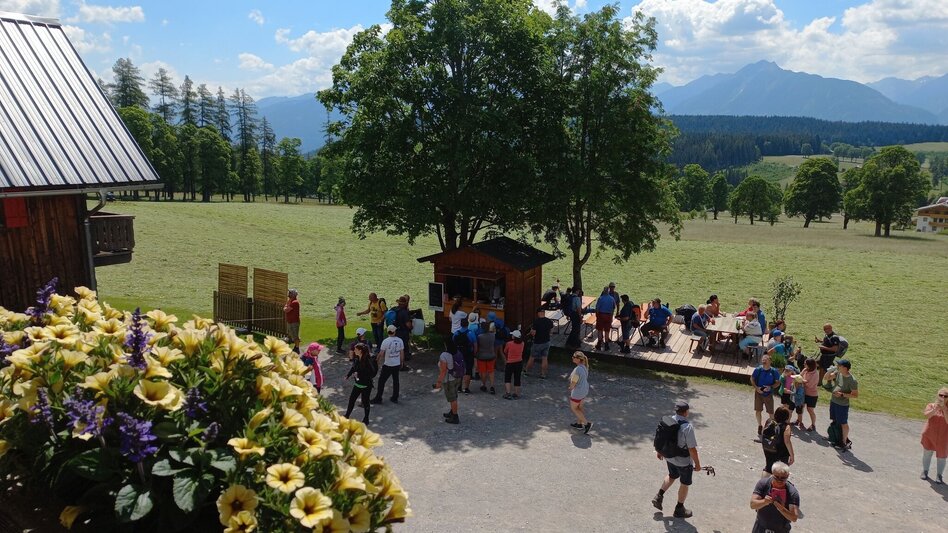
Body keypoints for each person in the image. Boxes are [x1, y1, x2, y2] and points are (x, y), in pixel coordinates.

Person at [652, 400, 701, 519]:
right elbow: (692, 449)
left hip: (670, 457)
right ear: (686, 412)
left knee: (672, 475)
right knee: (684, 483)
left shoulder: (669, 421)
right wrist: (698, 464)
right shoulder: (687, 427)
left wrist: (660, 451)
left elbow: (661, 438)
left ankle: (659, 496)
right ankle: (679, 509)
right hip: (683, 462)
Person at [750, 461, 800, 533]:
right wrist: (764, 501)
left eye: (783, 478)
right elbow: (752, 505)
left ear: (788, 476)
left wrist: (781, 508)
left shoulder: (792, 492)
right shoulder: (763, 484)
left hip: (780, 529)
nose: (779, 481)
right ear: (772, 474)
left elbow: (794, 517)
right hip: (760, 527)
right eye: (776, 477)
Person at [823, 359, 858, 450]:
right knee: (834, 420)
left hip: (842, 405)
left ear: (845, 368)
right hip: (834, 401)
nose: (837, 366)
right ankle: (833, 437)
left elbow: (855, 395)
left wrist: (842, 394)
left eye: (840, 365)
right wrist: (830, 370)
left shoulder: (852, 381)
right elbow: (826, 378)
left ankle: (844, 442)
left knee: (843, 423)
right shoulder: (838, 373)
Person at [371, 325, 404, 405]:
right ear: (394, 331)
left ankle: (378, 398)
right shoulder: (400, 340)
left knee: (381, 381)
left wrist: (377, 361)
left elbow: (381, 353)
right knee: (396, 381)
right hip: (396, 364)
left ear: (388, 332)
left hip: (388, 364)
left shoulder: (385, 341)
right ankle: (395, 397)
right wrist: (402, 362)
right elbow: (402, 353)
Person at [921, 387, 948, 484]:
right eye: (941, 395)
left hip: (943, 436)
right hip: (929, 434)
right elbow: (926, 415)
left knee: (942, 456)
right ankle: (925, 471)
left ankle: (939, 475)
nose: (943, 397)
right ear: (938, 395)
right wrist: (935, 409)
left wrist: (944, 410)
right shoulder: (931, 405)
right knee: (927, 453)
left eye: (945, 396)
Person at [344, 343, 376, 424]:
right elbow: (353, 367)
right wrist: (348, 375)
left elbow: (371, 373)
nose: (354, 351)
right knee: (351, 400)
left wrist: (359, 374)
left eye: (355, 349)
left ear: (360, 351)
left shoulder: (368, 361)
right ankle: (347, 415)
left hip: (366, 385)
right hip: (358, 383)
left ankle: (366, 419)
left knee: (365, 402)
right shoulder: (357, 358)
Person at [751, 354, 781, 439]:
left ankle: (771, 428)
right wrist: (756, 388)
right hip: (758, 393)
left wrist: (770, 387)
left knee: (771, 412)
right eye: (763, 358)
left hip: (768, 395)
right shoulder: (758, 369)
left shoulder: (774, 371)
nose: (764, 359)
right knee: (758, 410)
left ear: (770, 361)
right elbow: (752, 378)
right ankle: (760, 426)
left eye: (766, 358)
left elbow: (778, 382)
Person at [761, 407, 794, 478]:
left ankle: (763, 482)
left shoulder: (769, 421)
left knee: (768, 467)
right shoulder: (786, 427)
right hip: (780, 451)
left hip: (768, 447)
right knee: (781, 469)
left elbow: (763, 432)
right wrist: (792, 455)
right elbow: (787, 441)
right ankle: (778, 483)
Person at [434, 341, 460, 424]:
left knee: (452, 399)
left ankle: (455, 417)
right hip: (457, 377)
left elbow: (443, 371)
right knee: (454, 396)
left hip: (449, 380)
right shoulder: (457, 352)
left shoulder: (444, 355)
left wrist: (439, 382)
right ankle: (452, 412)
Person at [525, 308, 554, 378]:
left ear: (538, 313)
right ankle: (543, 374)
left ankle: (526, 371)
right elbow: (551, 332)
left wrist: (531, 331)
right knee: (544, 358)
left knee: (532, 357)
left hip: (537, 342)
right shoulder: (549, 321)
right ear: (544, 313)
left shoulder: (536, 322)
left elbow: (533, 333)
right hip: (547, 342)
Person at [568, 352, 592, 434]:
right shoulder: (584, 367)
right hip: (584, 390)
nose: (572, 358)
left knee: (574, 408)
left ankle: (586, 424)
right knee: (579, 407)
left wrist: (571, 387)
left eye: (574, 357)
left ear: (578, 359)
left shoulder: (578, 369)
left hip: (578, 391)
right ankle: (579, 424)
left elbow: (574, 381)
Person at [453, 318, 478, 394]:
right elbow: (475, 345)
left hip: (459, 354)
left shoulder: (456, 333)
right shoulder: (471, 333)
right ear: (468, 324)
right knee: (468, 370)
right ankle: (466, 388)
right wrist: (474, 353)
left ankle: (459, 387)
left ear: (460, 324)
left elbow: (453, 344)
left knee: (459, 370)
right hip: (468, 353)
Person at [476, 322, 498, 394]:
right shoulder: (493, 336)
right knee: (491, 371)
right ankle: (492, 386)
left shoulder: (479, 337)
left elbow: (477, 346)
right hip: (491, 355)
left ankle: (484, 384)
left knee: (483, 372)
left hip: (481, 356)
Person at [502, 330, 525, 400]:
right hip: (519, 362)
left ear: (514, 337)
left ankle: (508, 393)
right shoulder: (522, 343)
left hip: (510, 362)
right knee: (517, 378)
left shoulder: (509, 343)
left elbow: (505, 351)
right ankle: (516, 393)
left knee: (507, 378)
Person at [593, 286, 616, 350]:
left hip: (601, 315)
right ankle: (606, 345)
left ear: (603, 291)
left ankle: (599, 344)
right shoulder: (612, 299)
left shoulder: (600, 298)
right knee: (607, 331)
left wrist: (597, 316)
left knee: (600, 330)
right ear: (608, 291)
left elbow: (597, 308)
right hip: (608, 316)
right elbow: (614, 307)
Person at [394, 296, 413, 371]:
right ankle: (402, 365)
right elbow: (408, 324)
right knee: (403, 349)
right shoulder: (404, 312)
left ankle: (398, 363)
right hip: (403, 332)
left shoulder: (396, 310)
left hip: (397, 331)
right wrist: (411, 327)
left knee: (398, 348)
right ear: (405, 304)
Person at [800, 358, 820, 432]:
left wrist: (802, 381)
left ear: (810, 365)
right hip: (803, 393)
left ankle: (813, 425)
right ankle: (799, 420)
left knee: (810, 409)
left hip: (812, 395)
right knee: (801, 407)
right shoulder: (806, 370)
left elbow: (810, 385)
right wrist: (802, 373)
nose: (804, 365)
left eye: (805, 364)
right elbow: (800, 376)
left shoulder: (815, 374)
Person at [283, 289, 301, 353]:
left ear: (293, 295)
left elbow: (286, 310)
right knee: (291, 335)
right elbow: (285, 307)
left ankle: (297, 348)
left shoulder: (295, 302)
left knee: (295, 336)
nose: (289, 294)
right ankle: (295, 347)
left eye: (290, 293)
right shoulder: (290, 301)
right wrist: (286, 306)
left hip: (294, 322)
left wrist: (286, 307)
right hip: (290, 321)